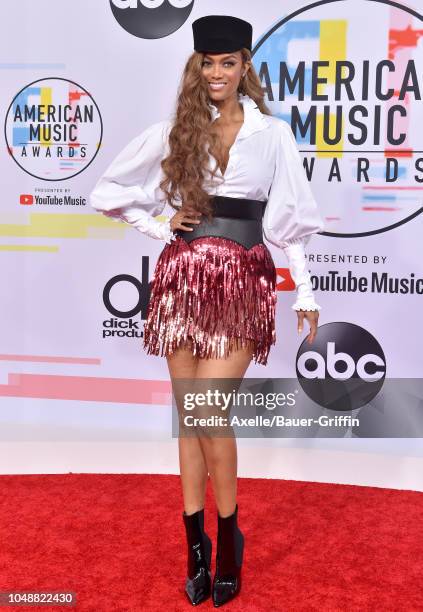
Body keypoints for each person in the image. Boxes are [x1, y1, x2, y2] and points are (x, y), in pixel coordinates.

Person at [89, 14, 324, 608]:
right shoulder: (175, 130)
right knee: (189, 419)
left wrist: (307, 291)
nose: (217, 73)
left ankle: (228, 537)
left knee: (208, 409)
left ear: (245, 65)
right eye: (207, 63)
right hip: (181, 282)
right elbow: (108, 193)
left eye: (228, 62)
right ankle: (194, 546)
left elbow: (291, 218)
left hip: (241, 280)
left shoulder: (272, 134)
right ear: (195, 67)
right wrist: (158, 224)